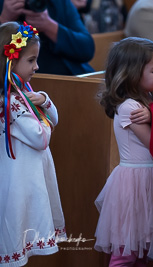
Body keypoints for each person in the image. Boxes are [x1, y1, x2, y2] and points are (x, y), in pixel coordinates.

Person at [94, 37, 153, 267]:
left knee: (142, 251)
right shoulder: (129, 107)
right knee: (125, 253)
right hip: (134, 185)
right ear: (132, 74)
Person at [0, 21, 66, 266]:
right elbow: (41, 137)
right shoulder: (10, 101)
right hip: (18, 181)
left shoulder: (23, 91)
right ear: (10, 61)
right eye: (31, 60)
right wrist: (44, 118)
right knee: (15, 231)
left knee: (23, 233)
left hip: (30, 178)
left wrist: (44, 100)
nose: (37, 67)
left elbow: (54, 117)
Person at [0, 0, 95, 75]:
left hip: (72, 78)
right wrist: (5, 19)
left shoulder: (59, 2)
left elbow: (87, 49)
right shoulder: (5, 5)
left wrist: (49, 26)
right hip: (22, 83)